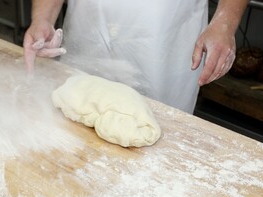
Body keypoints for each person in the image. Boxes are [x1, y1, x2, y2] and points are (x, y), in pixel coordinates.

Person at [23, 0, 249, 113]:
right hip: (87, 39)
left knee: (156, 152)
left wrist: (225, 22)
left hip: (162, 52)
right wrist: (43, 17)